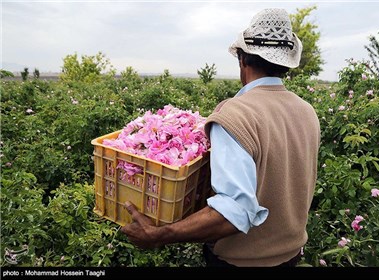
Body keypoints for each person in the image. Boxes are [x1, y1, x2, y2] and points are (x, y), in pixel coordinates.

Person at [120, 8, 320, 267]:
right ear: (285, 64)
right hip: (290, 256)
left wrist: (159, 235)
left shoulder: (236, 115)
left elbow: (235, 212)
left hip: (243, 262)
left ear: (242, 59)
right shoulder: (307, 111)